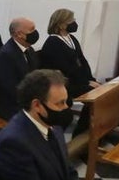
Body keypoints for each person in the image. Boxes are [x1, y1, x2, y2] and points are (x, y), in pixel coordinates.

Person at [39, 8, 99, 136]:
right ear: (61, 24)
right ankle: (81, 133)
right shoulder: (53, 43)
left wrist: (90, 79)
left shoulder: (71, 39)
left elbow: (82, 61)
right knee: (96, 96)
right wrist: (85, 83)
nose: (74, 23)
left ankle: (91, 132)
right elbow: (65, 69)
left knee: (100, 92)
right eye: (71, 20)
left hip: (77, 80)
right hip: (63, 83)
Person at [0, 17, 41, 121]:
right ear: (19, 34)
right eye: (31, 30)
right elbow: (10, 88)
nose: (35, 33)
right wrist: (33, 101)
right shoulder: (6, 55)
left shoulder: (29, 49)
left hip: (27, 99)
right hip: (10, 105)